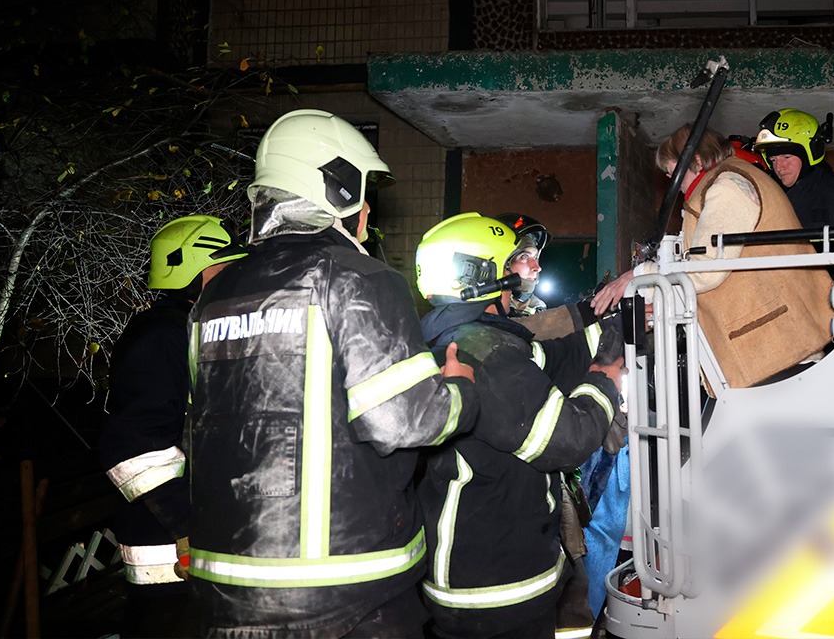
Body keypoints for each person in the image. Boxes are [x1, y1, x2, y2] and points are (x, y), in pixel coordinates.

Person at [186, 109, 477, 639]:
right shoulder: (357, 277)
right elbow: (406, 421)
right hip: (347, 589)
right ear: (336, 189)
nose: (367, 211)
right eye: (363, 193)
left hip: (223, 587)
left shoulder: (214, 297)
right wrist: (460, 389)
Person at [414, 212, 624, 639]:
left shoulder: (466, 338)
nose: (526, 272)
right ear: (482, 273)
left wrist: (612, 323)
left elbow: (553, 360)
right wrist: (605, 379)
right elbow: (567, 439)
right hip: (495, 589)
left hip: (482, 575)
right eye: (514, 262)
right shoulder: (486, 353)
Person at [591, 124, 834, 390]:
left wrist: (638, 277)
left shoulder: (727, 188)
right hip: (777, 352)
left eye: (672, 169)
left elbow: (705, 271)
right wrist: (659, 299)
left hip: (778, 354)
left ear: (696, 160)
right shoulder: (727, 182)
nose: (670, 177)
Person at [100, 215, 247, 638]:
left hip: (195, 543)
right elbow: (134, 446)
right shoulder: (161, 338)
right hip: (167, 555)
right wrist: (186, 524)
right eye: (226, 267)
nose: (236, 278)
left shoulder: (190, 330)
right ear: (194, 272)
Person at [752, 108, 834, 229]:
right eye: (773, 160)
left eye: (787, 157)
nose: (779, 167)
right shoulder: (765, 199)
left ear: (809, 155)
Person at [495, 213, 550, 316]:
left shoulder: (540, 310)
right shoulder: (481, 311)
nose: (537, 268)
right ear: (503, 263)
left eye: (535, 257)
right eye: (524, 257)